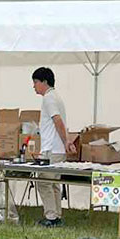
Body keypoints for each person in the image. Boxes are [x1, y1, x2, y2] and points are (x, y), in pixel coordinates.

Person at [31, 67, 75, 228]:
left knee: (43, 182)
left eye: (36, 82)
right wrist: (66, 142)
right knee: (54, 183)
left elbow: (58, 122)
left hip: (52, 149)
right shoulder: (56, 97)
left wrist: (67, 141)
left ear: (44, 82)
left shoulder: (49, 98)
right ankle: (56, 215)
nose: (34, 86)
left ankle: (51, 217)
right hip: (58, 149)